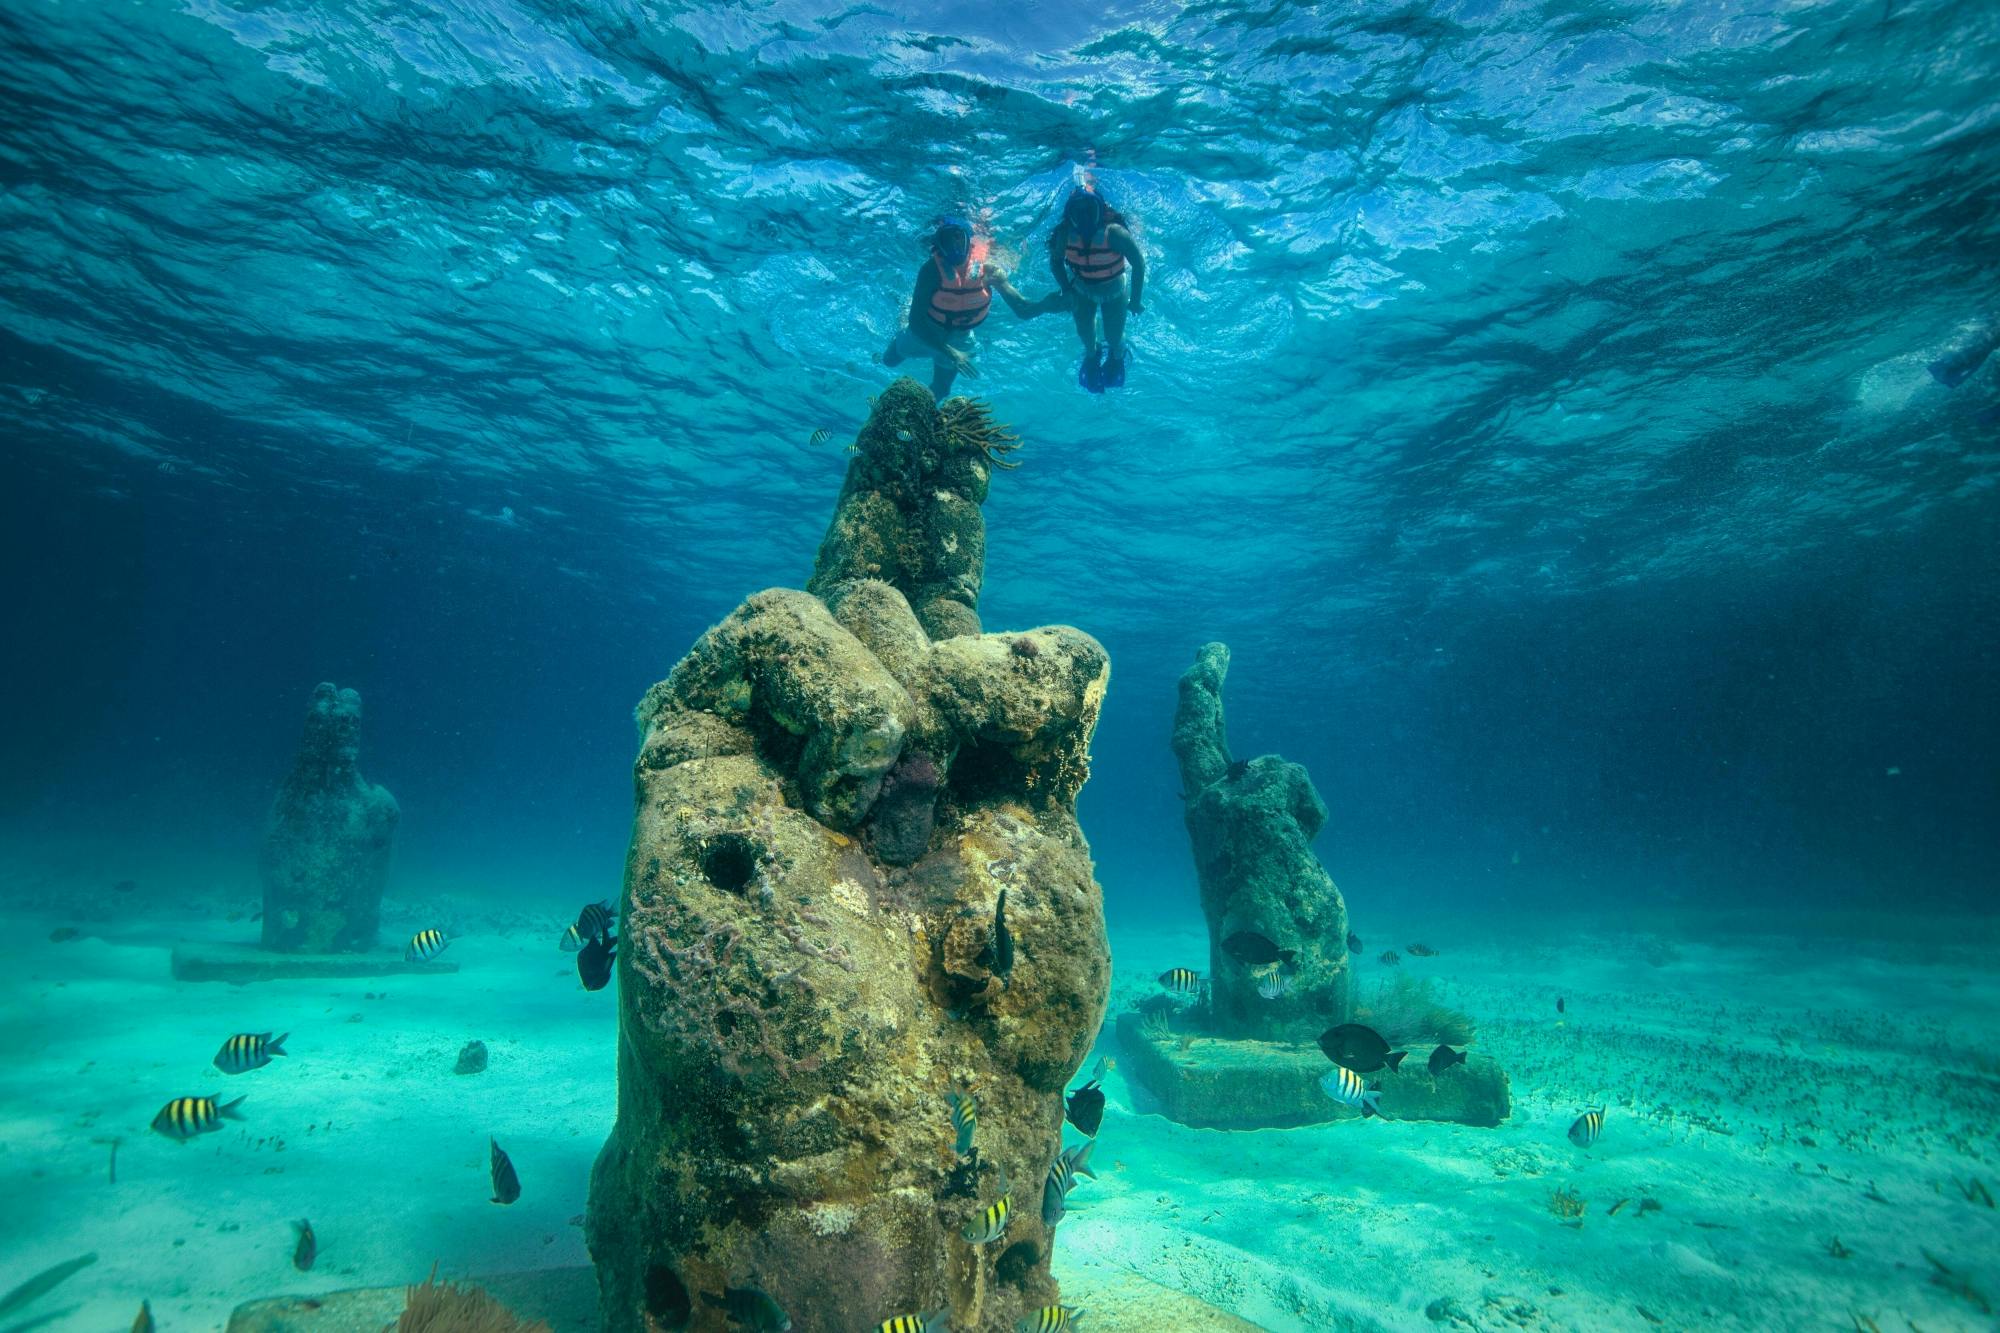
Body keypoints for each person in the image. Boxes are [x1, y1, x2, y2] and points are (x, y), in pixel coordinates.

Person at [882, 217, 1044, 398]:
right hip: (927, 330)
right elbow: (916, 323)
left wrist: (1049, 304)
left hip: (960, 336)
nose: (955, 244)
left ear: (969, 241)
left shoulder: (989, 270)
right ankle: (904, 314)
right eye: (948, 239)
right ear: (939, 244)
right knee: (889, 361)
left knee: (942, 389)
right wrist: (952, 353)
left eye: (959, 237)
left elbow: (1022, 308)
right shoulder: (930, 270)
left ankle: (918, 415)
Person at [1047, 186, 1146, 392]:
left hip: (1114, 292)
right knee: (1086, 334)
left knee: (1113, 336)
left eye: (1090, 210)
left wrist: (1135, 300)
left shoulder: (1115, 233)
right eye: (1078, 211)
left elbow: (1138, 263)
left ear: (1100, 210)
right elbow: (1055, 262)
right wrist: (1066, 290)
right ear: (1070, 214)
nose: (1084, 216)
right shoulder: (1064, 234)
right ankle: (1092, 355)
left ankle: (1117, 356)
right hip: (1082, 290)